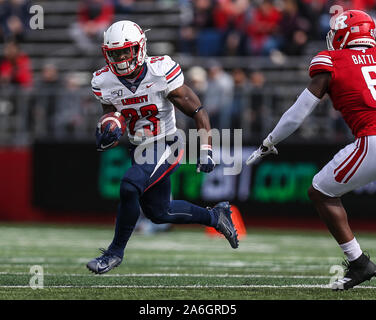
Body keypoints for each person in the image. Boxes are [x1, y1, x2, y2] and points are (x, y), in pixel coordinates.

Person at [86, 20, 239, 274]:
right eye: (115, 53)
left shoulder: (160, 71)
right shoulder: (103, 81)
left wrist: (206, 148)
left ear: (140, 48)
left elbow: (197, 110)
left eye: (126, 51)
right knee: (160, 212)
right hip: (138, 147)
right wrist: (106, 131)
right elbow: (112, 118)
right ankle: (216, 217)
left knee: (128, 186)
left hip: (167, 141)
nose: (122, 58)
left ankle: (114, 253)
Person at [246, 9, 376, 290]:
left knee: (321, 191)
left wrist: (270, 141)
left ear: (344, 34)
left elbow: (297, 114)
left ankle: (359, 263)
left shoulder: (331, 60)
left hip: (372, 139)